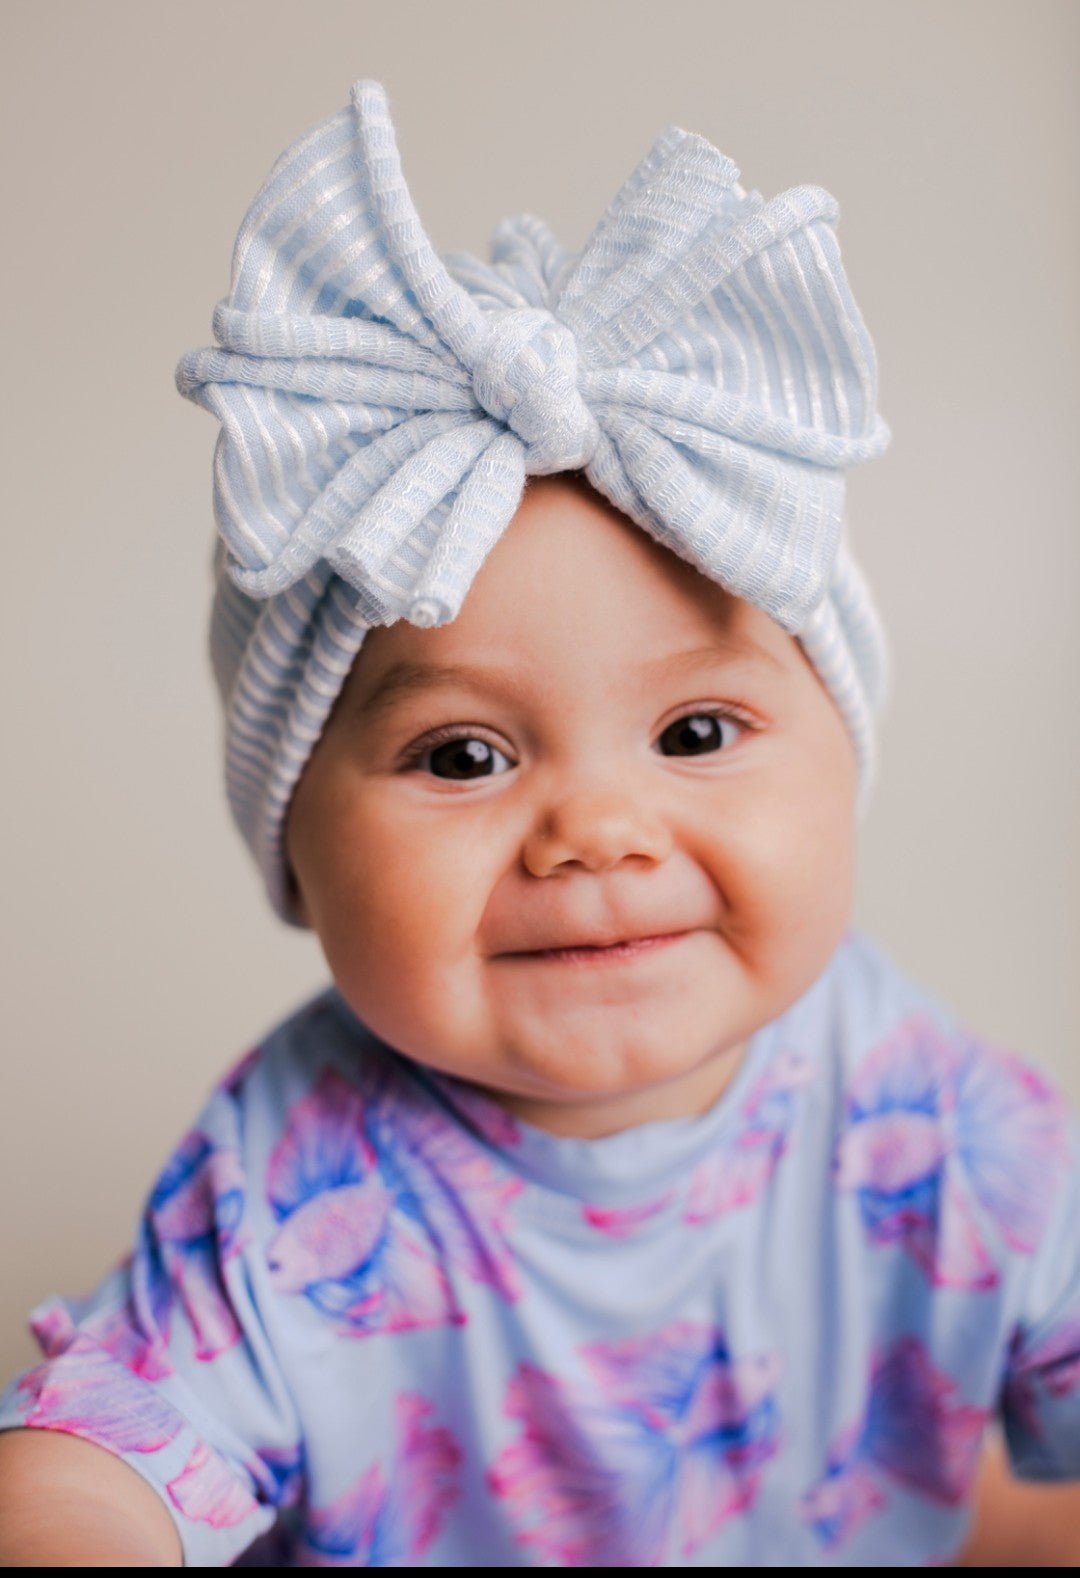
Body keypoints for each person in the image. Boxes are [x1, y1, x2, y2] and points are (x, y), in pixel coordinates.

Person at [0, 80, 1077, 1567]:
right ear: (299, 843)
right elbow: (91, 1461)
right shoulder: (286, 1178)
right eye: (463, 755)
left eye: (696, 733)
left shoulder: (933, 1116)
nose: (598, 831)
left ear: (844, 761)